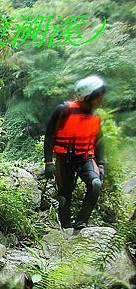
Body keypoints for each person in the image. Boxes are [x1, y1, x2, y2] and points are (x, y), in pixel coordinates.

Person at [44, 75, 107, 230]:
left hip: (85, 157)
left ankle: (81, 221)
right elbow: (50, 135)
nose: (101, 100)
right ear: (88, 96)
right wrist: (48, 162)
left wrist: (101, 164)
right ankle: (66, 226)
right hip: (65, 158)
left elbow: (99, 142)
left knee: (95, 184)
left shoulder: (96, 117)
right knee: (65, 195)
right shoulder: (64, 110)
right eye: (98, 96)